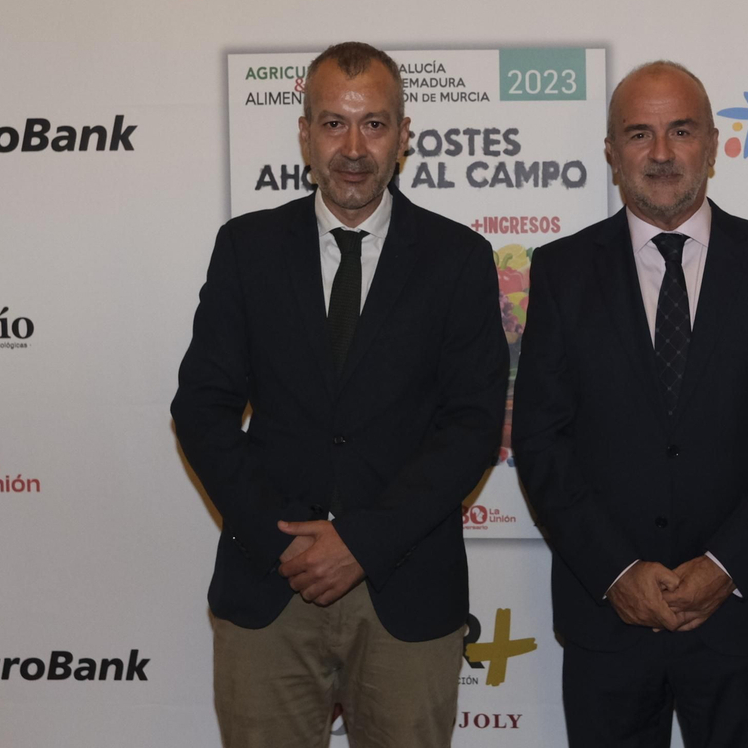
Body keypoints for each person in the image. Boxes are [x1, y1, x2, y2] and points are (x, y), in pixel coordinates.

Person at [171, 42, 509, 748]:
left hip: (406, 589)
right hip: (269, 587)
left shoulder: (457, 259)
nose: (353, 148)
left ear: (404, 135)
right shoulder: (246, 249)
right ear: (305, 135)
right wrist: (283, 541)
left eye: (374, 124)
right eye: (333, 123)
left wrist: (362, 542)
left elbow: (473, 426)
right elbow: (201, 408)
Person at [512, 61, 748, 746]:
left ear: (713, 145)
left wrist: (723, 567)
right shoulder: (562, 271)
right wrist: (617, 572)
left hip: (743, 621)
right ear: (611, 152)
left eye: (681, 131)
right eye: (640, 134)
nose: (661, 153)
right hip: (610, 621)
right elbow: (542, 443)